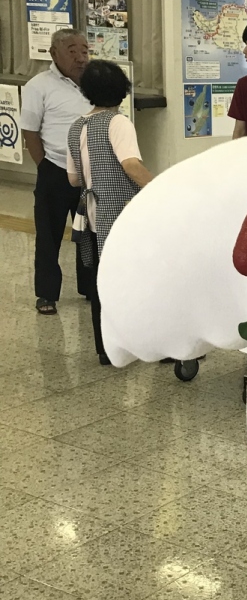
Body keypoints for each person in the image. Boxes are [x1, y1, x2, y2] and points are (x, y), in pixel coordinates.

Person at [66, 61, 153, 365]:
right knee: (132, 280)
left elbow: (74, 179)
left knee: (99, 282)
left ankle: (105, 349)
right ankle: (144, 345)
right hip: (120, 214)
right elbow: (131, 165)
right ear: (121, 90)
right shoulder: (119, 123)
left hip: (91, 214)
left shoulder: (77, 126)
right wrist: (160, 186)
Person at [20, 28, 95, 315]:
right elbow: (30, 131)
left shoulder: (94, 83)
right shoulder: (39, 85)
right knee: (49, 234)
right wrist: (45, 167)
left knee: (89, 232)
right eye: (72, 51)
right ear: (54, 54)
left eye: (84, 50)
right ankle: (47, 294)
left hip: (90, 170)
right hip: (54, 168)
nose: (80, 57)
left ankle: (89, 287)